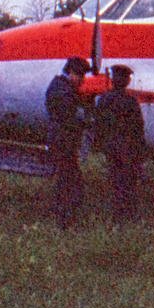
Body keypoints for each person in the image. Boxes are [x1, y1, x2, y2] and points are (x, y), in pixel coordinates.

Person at [94, 64, 146, 221]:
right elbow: (138, 127)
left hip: (111, 146)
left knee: (115, 179)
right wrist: (141, 152)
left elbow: (99, 124)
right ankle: (128, 214)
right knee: (128, 181)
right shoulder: (130, 101)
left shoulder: (103, 99)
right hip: (127, 147)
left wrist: (100, 145)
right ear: (126, 81)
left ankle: (117, 214)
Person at [45, 56, 91, 227]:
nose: (82, 79)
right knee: (70, 181)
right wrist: (87, 121)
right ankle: (66, 217)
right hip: (64, 142)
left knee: (68, 178)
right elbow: (69, 118)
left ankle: (65, 215)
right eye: (79, 75)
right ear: (70, 73)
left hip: (62, 141)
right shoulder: (64, 92)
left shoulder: (60, 88)